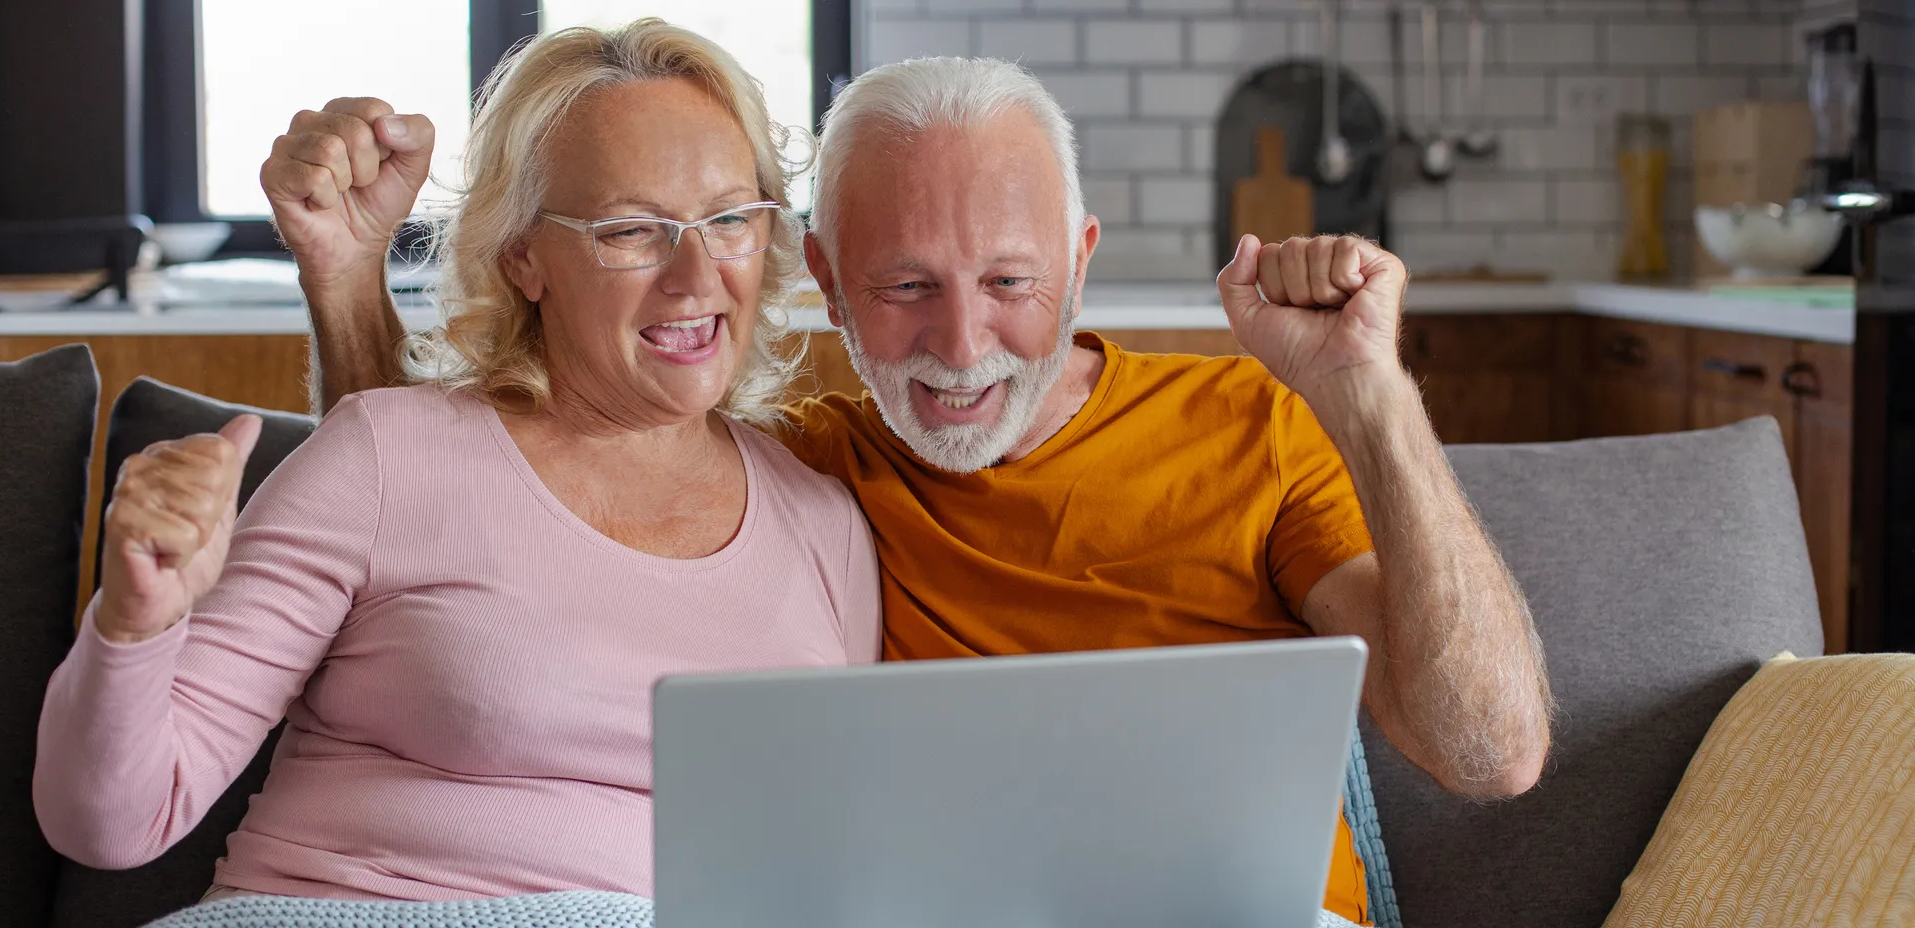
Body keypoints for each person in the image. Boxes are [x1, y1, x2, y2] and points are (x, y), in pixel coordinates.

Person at [287, 56, 1554, 924]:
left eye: (1010, 283)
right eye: (904, 289)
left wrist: (1372, 399)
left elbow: (1490, 754)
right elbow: (442, 505)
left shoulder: (1250, 428)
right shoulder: (789, 473)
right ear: (827, 282)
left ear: (1081, 262)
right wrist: (349, 287)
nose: (960, 347)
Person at [33, 21, 880, 904]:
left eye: (730, 219)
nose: (695, 276)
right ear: (523, 258)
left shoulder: (823, 528)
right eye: (631, 231)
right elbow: (109, 825)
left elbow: (838, 866)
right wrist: (137, 624)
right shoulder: (385, 455)